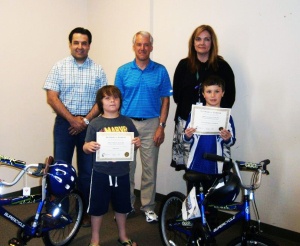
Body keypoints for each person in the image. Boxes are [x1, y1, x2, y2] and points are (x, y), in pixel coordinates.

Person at [43, 27, 108, 227]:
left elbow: (102, 100)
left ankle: (85, 211)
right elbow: (52, 97)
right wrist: (72, 120)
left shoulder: (98, 70)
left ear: (89, 45)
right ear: (70, 44)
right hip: (64, 125)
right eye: (76, 42)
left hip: (89, 127)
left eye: (84, 43)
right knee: (61, 170)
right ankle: (60, 211)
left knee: (87, 172)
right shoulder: (59, 67)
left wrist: (85, 121)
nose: (80, 46)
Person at [114, 31, 173, 223]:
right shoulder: (123, 71)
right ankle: (127, 206)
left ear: (151, 47)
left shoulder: (161, 70)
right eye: (139, 44)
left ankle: (148, 207)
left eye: (146, 44)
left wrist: (161, 126)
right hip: (127, 123)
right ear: (134, 46)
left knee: (149, 170)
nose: (142, 48)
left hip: (151, 124)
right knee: (126, 169)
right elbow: (116, 101)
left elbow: (165, 100)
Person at [171, 25, 235, 170]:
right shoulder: (183, 65)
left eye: (207, 39)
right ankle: (192, 194)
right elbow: (177, 96)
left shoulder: (223, 67)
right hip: (188, 125)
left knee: (215, 167)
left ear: (212, 43)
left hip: (214, 126)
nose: (202, 43)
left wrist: (212, 115)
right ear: (193, 43)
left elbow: (230, 97)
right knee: (190, 167)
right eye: (198, 39)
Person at [83, 85, 140, 246]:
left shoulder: (127, 122)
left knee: (122, 207)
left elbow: (135, 142)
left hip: (122, 173)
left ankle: (123, 236)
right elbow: (85, 146)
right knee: (97, 208)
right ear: (100, 102)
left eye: (115, 97)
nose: (112, 101)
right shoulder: (95, 123)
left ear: (120, 101)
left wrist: (136, 143)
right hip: (101, 173)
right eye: (107, 98)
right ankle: (95, 239)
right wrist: (89, 147)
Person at [183, 75, 236, 193]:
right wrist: (188, 135)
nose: (213, 95)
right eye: (209, 91)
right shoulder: (195, 114)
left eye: (217, 91)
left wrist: (227, 138)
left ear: (222, 93)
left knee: (211, 203)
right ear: (203, 94)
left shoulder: (227, 117)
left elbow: (232, 141)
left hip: (216, 166)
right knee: (193, 201)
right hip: (195, 164)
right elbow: (185, 139)